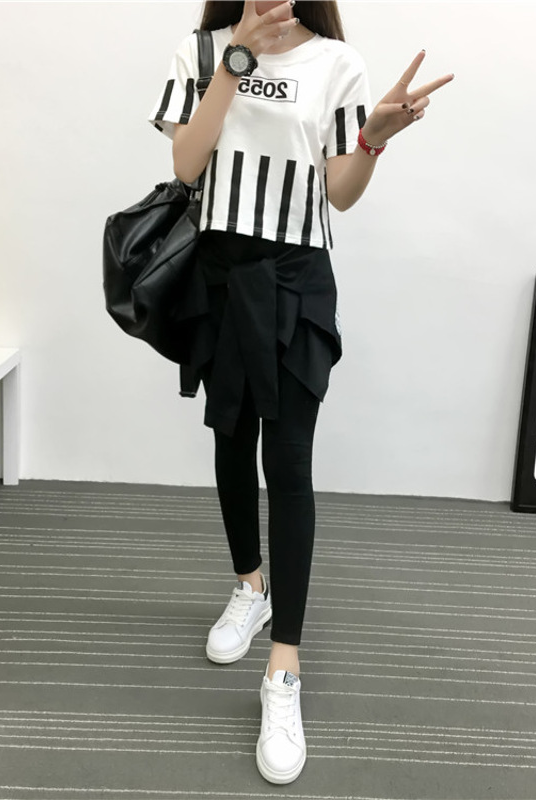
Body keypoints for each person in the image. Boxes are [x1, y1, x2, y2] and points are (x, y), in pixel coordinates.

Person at [148, 0, 453, 784]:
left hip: (294, 280)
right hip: (219, 274)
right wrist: (236, 59)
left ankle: (283, 668)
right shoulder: (202, 50)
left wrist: (372, 139)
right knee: (229, 435)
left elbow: (340, 192)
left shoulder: (337, 64)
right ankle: (249, 586)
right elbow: (187, 164)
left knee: (287, 460)